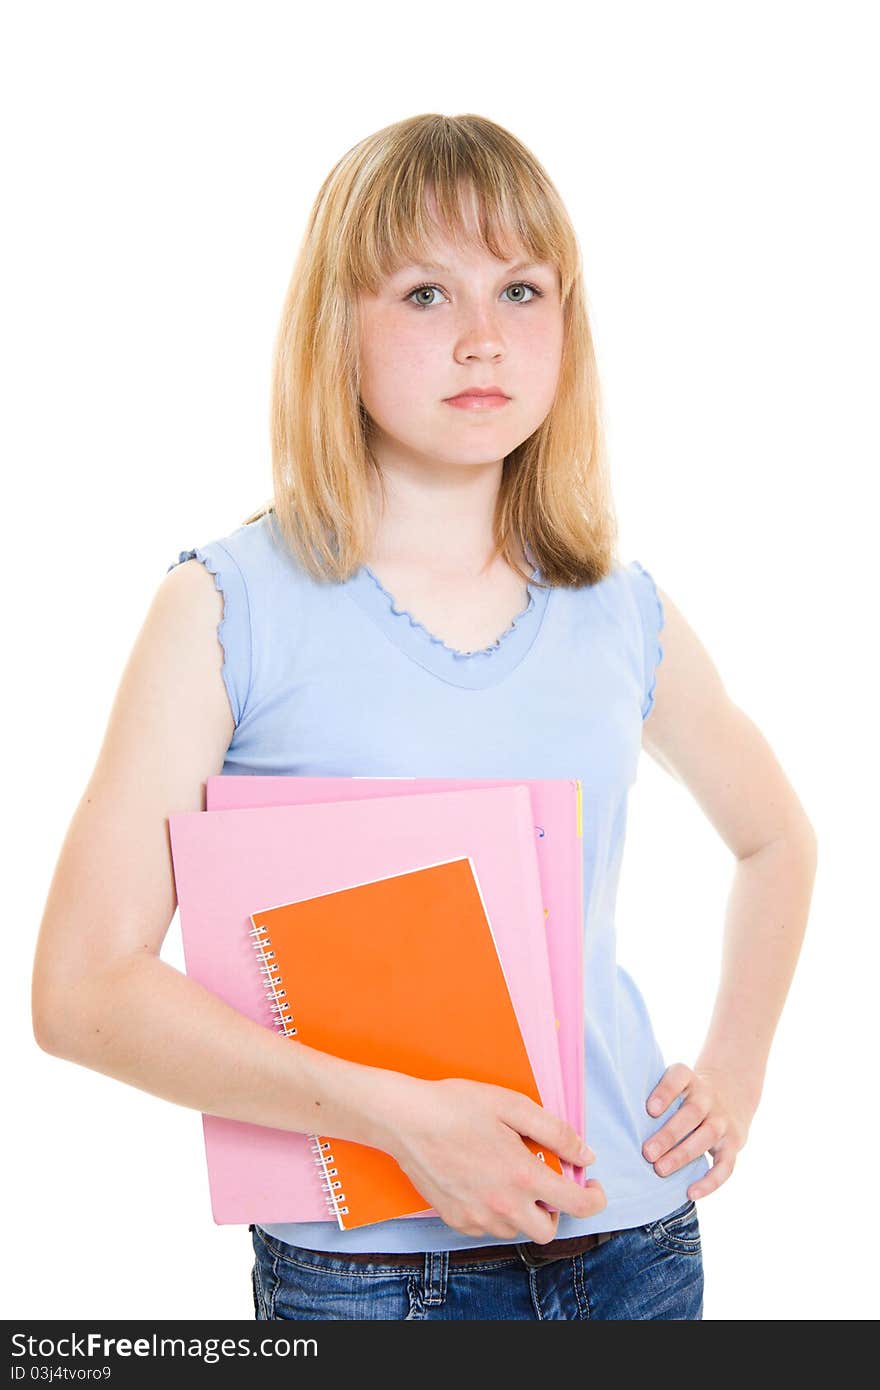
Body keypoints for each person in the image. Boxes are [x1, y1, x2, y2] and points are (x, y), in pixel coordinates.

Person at [31, 112, 818, 1322]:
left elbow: (777, 840)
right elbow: (82, 989)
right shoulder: (228, 606)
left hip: (634, 1246)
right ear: (333, 326)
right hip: (371, 1275)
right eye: (421, 293)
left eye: (520, 289)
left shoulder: (621, 609)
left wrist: (735, 1070)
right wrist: (402, 1120)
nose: (481, 340)